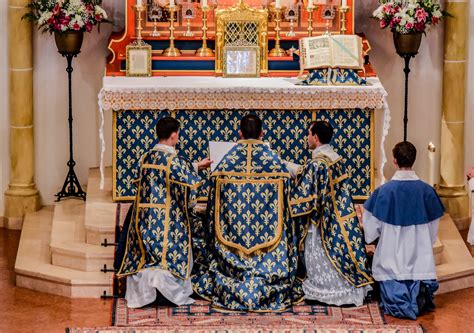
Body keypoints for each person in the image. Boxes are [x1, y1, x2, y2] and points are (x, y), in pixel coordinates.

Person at [192, 114, 303, 311]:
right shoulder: (275, 163)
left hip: (232, 246)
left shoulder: (224, 165)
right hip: (270, 245)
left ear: (239, 133)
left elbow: (213, 210)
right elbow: (287, 208)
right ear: (262, 134)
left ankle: (234, 274)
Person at [116, 116, 212, 308]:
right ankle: (172, 289)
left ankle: (145, 290)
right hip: (167, 226)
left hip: (144, 224)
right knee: (197, 226)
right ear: (174, 135)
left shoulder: (146, 157)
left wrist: (196, 165)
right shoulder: (174, 160)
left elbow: (160, 173)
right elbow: (187, 186)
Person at [290, 120, 373, 306]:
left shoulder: (318, 163)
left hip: (324, 221)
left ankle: (328, 291)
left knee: (322, 252)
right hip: (341, 216)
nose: (307, 138)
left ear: (316, 138)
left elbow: (305, 194)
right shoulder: (334, 157)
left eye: (309, 134)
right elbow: (308, 174)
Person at [363, 141, 445, 320]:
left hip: (391, 261)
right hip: (420, 261)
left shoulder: (384, 192)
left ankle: (400, 301)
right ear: (414, 160)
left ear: (394, 161)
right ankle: (417, 299)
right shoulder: (427, 192)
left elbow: (371, 231)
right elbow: (432, 231)